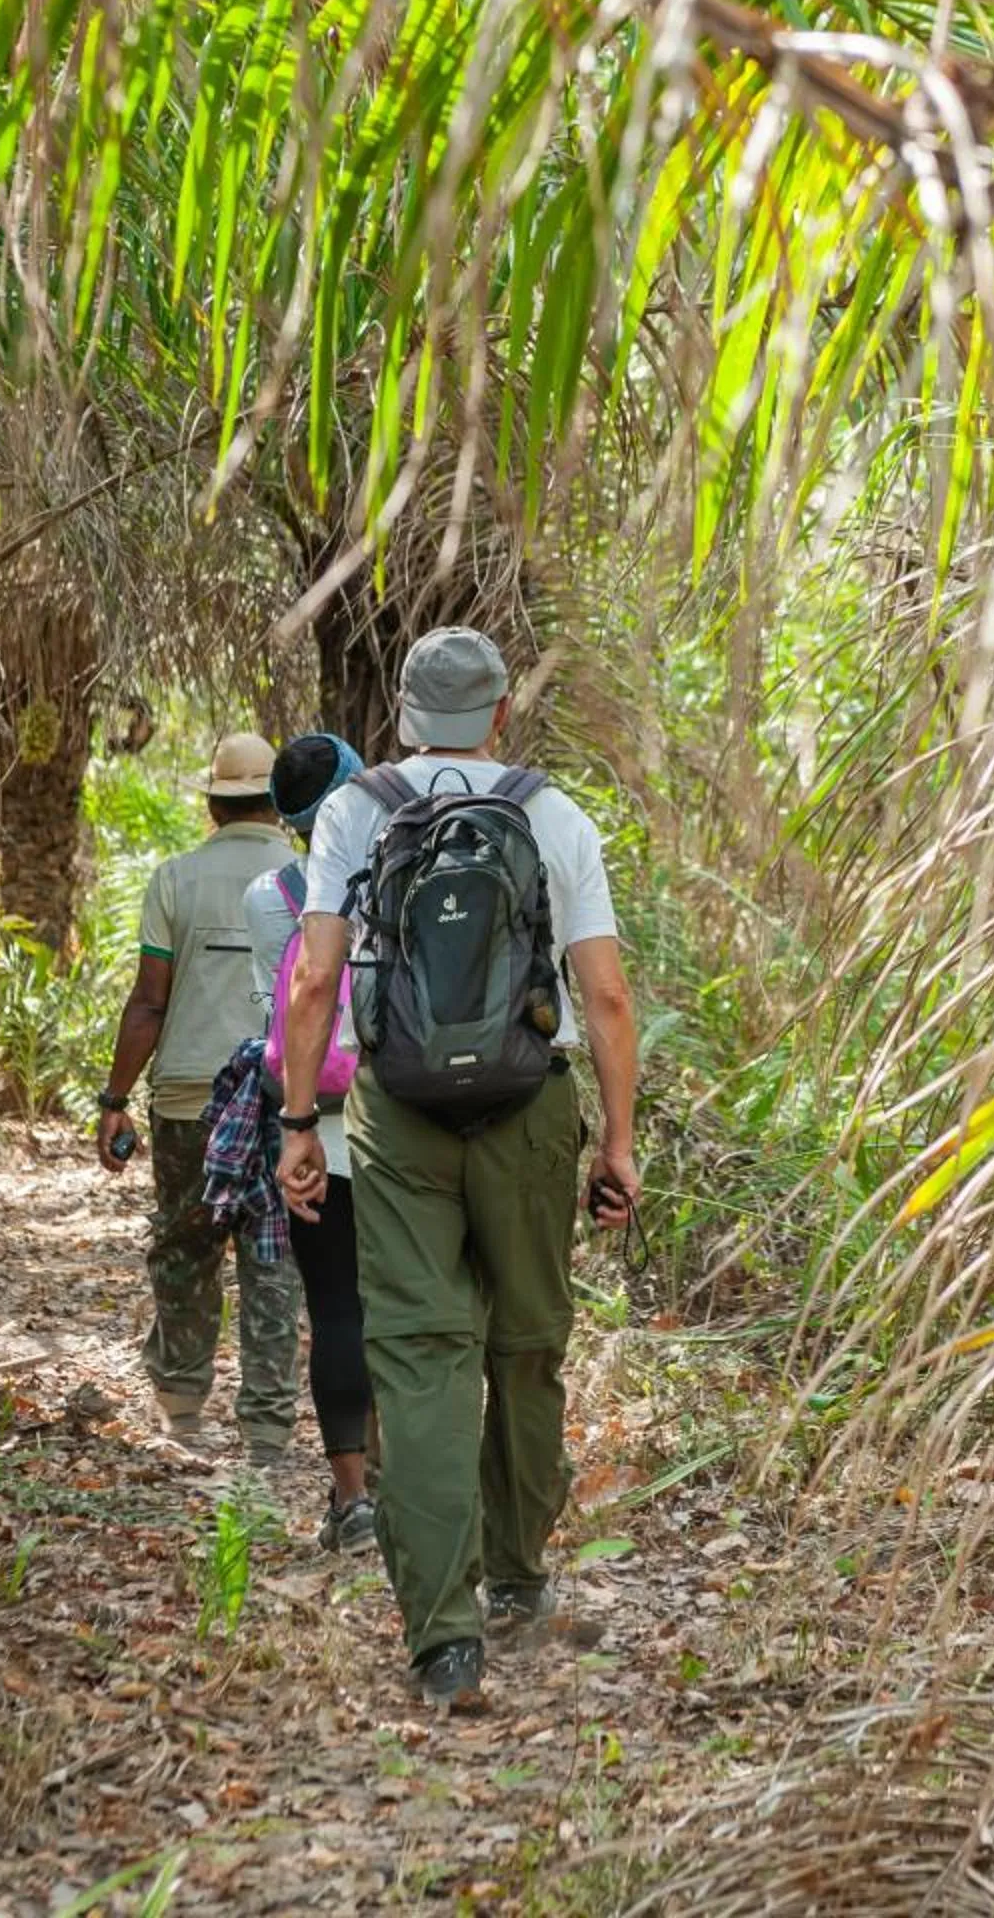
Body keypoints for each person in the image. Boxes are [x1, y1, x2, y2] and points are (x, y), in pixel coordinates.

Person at [276, 630, 640, 1709]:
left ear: (401, 712)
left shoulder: (356, 811)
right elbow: (608, 997)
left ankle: (443, 1638)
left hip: (400, 1111)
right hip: (532, 1106)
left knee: (422, 1356)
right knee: (526, 1344)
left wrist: (301, 1121)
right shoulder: (552, 813)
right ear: (498, 715)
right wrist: (616, 1142)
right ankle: (521, 1581)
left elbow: (312, 983)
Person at [96, 733, 306, 1467]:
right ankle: (270, 1433)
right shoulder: (306, 880)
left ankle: (183, 1408)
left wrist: (114, 1098)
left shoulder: (175, 880)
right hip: (285, 1100)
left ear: (213, 803)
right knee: (272, 1262)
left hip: (190, 1101)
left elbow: (148, 1003)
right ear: (278, 806)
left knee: (186, 1247)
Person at [244, 733, 378, 1553]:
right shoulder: (403, 866)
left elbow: (280, 1003)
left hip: (313, 1128)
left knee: (334, 1310)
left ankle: (352, 1499)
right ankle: (413, 1473)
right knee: (404, 1303)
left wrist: (293, 1122)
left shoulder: (272, 895)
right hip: (399, 1126)